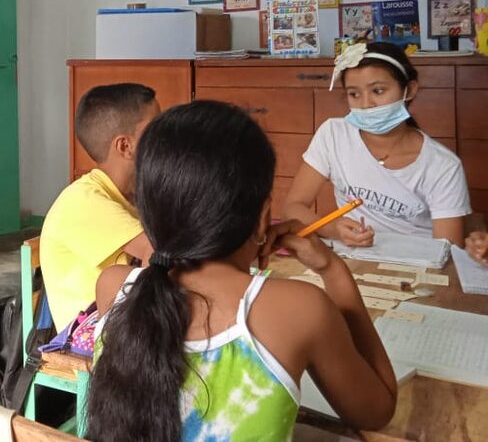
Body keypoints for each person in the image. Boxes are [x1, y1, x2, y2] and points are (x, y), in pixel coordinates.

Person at [87, 101, 397, 442]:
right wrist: (332, 269)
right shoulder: (300, 308)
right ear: (264, 217)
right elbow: (377, 412)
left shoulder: (114, 286)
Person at [284, 41, 470, 247]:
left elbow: (447, 249)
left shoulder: (443, 165)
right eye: (354, 94)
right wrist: (333, 229)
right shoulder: (334, 134)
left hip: (417, 265)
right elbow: (294, 207)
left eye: (378, 91)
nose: (366, 104)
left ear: (409, 90)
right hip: (353, 255)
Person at [40, 83, 159, 331]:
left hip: (119, 327)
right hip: (89, 340)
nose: (165, 139)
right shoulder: (83, 201)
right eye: (156, 130)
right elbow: (159, 252)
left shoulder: (131, 196)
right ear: (125, 146)